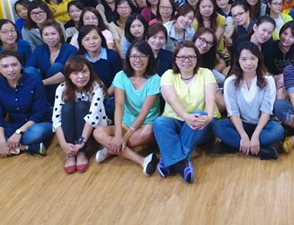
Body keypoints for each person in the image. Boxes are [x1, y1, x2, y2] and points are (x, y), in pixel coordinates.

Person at [153, 40, 218, 182]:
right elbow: (172, 100)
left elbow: (210, 98)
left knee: (200, 114)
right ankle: (181, 164)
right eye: (182, 57)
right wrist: (185, 116)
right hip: (176, 120)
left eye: (191, 57)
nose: (186, 60)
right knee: (159, 122)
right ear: (175, 59)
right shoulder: (168, 75)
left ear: (197, 59)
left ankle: (170, 160)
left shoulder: (205, 73)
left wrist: (208, 116)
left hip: (200, 125)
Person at [93, 41, 161, 175]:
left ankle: (110, 149)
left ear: (149, 58)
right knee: (97, 132)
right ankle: (141, 160)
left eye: (142, 56)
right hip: (125, 123)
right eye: (134, 56)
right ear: (128, 58)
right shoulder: (121, 76)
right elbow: (119, 106)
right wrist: (118, 135)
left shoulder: (155, 79)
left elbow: (144, 113)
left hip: (146, 124)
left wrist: (123, 139)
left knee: (148, 130)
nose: (138, 60)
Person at [0, 50, 52, 156]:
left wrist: (19, 133)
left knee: (36, 133)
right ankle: (25, 147)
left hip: (35, 124)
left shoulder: (34, 82)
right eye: (5, 67)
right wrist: (1, 141)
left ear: (21, 65)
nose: (11, 70)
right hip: (13, 125)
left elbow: (40, 112)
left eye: (14, 65)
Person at [214, 41, 284, 159]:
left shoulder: (268, 80)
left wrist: (256, 135)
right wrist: (243, 135)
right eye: (244, 59)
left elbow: (266, 110)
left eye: (253, 58)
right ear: (238, 61)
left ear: (258, 59)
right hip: (241, 124)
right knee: (218, 127)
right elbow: (233, 112)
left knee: (278, 131)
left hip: (262, 125)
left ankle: (237, 145)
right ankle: (260, 150)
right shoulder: (230, 82)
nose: (249, 63)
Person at [52, 56, 108, 173]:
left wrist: (80, 143)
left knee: (82, 106)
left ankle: (82, 152)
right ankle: (70, 152)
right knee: (67, 107)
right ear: (68, 75)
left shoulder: (97, 86)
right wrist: (63, 144)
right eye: (75, 73)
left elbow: (92, 118)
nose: (81, 76)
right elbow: (56, 118)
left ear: (90, 71)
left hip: (92, 130)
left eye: (84, 71)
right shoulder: (62, 89)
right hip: (70, 134)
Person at [29, 20, 78, 102]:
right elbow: (28, 69)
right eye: (46, 35)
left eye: (53, 34)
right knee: (30, 70)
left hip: (63, 87)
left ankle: (45, 101)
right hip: (41, 88)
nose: (50, 37)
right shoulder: (39, 50)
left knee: (57, 67)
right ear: (42, 36)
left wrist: (40, 83)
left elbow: (68, 74)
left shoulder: (71, 49)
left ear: (60, 34)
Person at [77, 25, 123, 98]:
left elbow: (119, 79)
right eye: (87, 39)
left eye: (95, 38)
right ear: (81, 42)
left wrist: (104, 96)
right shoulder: (78, 59)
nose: (92, 42)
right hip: (86, 97)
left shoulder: (112, 56)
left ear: (101, 39)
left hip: (110, 96)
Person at [263, 21, 294, 99]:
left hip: (291, 80)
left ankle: (280, 106)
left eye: (292, 36)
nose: (287, 38)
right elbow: (264, 67)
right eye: (285, 33)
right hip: (271, 79)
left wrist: (286, 77)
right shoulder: (270, 47)